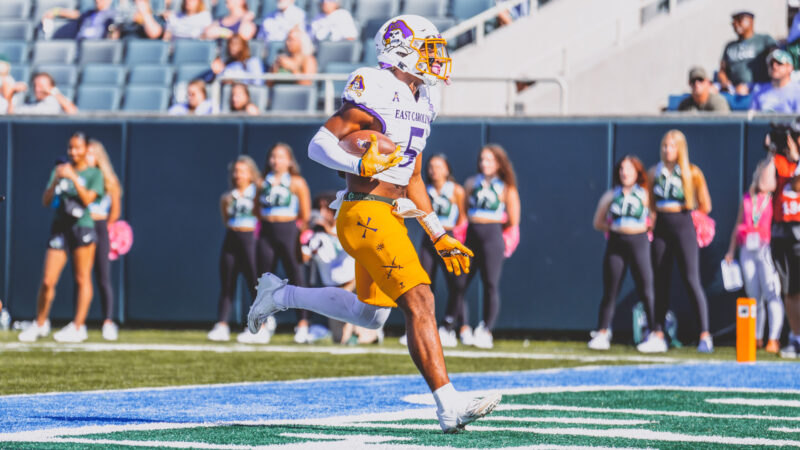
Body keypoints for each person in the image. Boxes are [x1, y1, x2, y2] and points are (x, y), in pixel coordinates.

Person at [247, 15, 500, 433]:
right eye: (427, 49)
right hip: (364, 210)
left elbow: (413, 177)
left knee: (371, 316)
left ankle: (280, 295)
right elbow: (319, 143)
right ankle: (448, 405)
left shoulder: (424, 100)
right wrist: (356, 161)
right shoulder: (376, 84)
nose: (435, 58)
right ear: (400, 49)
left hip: (391, 215)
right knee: (421, 299)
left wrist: (438, 234)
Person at [18, 132, 104, 343]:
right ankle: (40, 323)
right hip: (60, 227)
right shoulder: (59, 170)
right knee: (48, 280)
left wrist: (74, 178)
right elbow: (46, 200)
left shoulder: (94, 174)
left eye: (77, 148)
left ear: (85, 149)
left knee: (82, 278)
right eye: (70, 148)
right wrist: (57, 178)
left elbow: (87, 200)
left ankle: (78, 326)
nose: (73, 152)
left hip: (82, 227)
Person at [648, 130, 713, 353]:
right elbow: (650, 204)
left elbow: (705, 204)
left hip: (683, 224)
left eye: (672, 146)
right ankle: (657, 333)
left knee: (691, 279)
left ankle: (705, 334)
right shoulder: (653, 172)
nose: (668, 150)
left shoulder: (692, 172)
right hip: (661, 227)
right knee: (660, 279)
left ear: (680, 148)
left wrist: (692, 218)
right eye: (665, 145)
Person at [589, 156, 660, 352]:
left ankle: (655, 332)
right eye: (621, 168)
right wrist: (614, 228)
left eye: (629, 169)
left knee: (646, 288)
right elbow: (598, 221)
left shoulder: (645, 195)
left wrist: (642, 228)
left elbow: (654, 219)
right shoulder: (612, 195)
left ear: (637, 172)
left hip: (639, 243)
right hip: (616, 244)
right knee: (610, 290)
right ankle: (603, 332)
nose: (624, 172)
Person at [401, 154, 469, 348]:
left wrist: (455, 237)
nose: (434, 170)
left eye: (438, 166)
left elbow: (463, 218)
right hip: (428, 239)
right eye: (431, 166)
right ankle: (419, 327)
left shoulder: (456, 190)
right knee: (423, 281)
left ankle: (451, 326)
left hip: (447, 237)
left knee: (456, 282)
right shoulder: (423, 189)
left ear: (447, 169)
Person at [459, 144, 521, 350]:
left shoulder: (506, 187)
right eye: (482, 159)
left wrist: (493, 228)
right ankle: (462, 328)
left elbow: (513, 219)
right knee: (459, 281)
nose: (484, 164)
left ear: (499, 163)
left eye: (489, 160)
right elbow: (464, 211)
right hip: (471, 235)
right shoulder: (471, 182)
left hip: (493, 236)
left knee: (490, 284)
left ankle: (486, 330)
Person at [302, 193, 382, 345]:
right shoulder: (316, 234)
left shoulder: (347, 223)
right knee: (339, 339)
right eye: (319, 209)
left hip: (354, 282)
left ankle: (365, 331)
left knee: (353, 324)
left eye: (326, 209)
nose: (322, 213)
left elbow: (353, 241)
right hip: (333, 287)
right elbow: (303, 258)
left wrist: (328, 230)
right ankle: (363, 332)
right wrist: (302, 233)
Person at [724, 160, 784, 354]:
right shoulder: (748, 198)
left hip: (766, 249)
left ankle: (773, 338)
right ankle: (756, 336)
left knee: (771, 292)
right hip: (747, 249)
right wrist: (731, 250)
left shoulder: (774, 198)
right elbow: (737, 224)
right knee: (753, 295)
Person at [256, 143, 311, 344]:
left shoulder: (297, 182)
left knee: (297, 278)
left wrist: (303, 240)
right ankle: (262, 324)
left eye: (280, 157)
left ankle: (303, 324)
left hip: (289, 232)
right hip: (267, 233)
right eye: (273, 156)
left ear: (289, 160)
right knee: (264, 280)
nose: (275, 161)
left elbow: (305, 215)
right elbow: (256, 209)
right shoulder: (262, 182)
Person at [208, 156, 265, 343]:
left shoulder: (257, 194)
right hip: (232, 239)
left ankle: (260, 325)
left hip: (251, 240)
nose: (238, 174)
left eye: (242, 171)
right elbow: (226, 220)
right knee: (227, 283)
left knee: (254, 284)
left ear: (251, 174)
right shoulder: (227, 197)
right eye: (235, 171)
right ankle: (222, 325)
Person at [760, 121, 800, 358]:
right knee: (791, 288)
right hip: (783, 230)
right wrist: (771, 153)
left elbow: (796, 185)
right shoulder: (780, 162)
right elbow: (765, 185)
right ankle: (796, 337)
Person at [84, 140, 123, 341]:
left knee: (102, 276)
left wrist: (107, 226)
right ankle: (78, 323)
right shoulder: (80, 177)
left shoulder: (110, 181)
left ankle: (107, 321)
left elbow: (115, 211)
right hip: (82, 226)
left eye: (90, 154)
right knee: (81, 276)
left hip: (100, 227)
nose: (86, 157)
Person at [719, 11, 777, 95]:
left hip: (760, 87)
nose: (735, 24)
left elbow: (776, 54)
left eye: (740, 20)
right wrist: (725, 84)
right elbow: (722, 70)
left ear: (751, 21)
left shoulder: (764, 40)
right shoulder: (729, 46)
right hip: (734, 89)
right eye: (733, 21)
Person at [750, 49, 800, 113]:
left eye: (779, 63)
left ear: (790, 68)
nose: (774, 67)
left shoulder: (798, 91)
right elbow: (751, 119)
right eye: (771, 63)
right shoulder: (759, 91)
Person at [7, 72, 77, 115]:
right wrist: (12, 95)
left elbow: (72, 111)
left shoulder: (58, 102)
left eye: (41, 86)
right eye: (35, 86)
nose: (37, 89)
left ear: (51, 86)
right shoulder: (32, 105)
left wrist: (53, 92)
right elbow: (11, 115)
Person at [42, 0, 116, 40]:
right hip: (80, 46)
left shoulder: (113, 16)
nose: (97, 1)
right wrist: (55, 11)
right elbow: (74, 14)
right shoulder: (88, 14)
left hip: (96, 48)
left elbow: (114, 37)